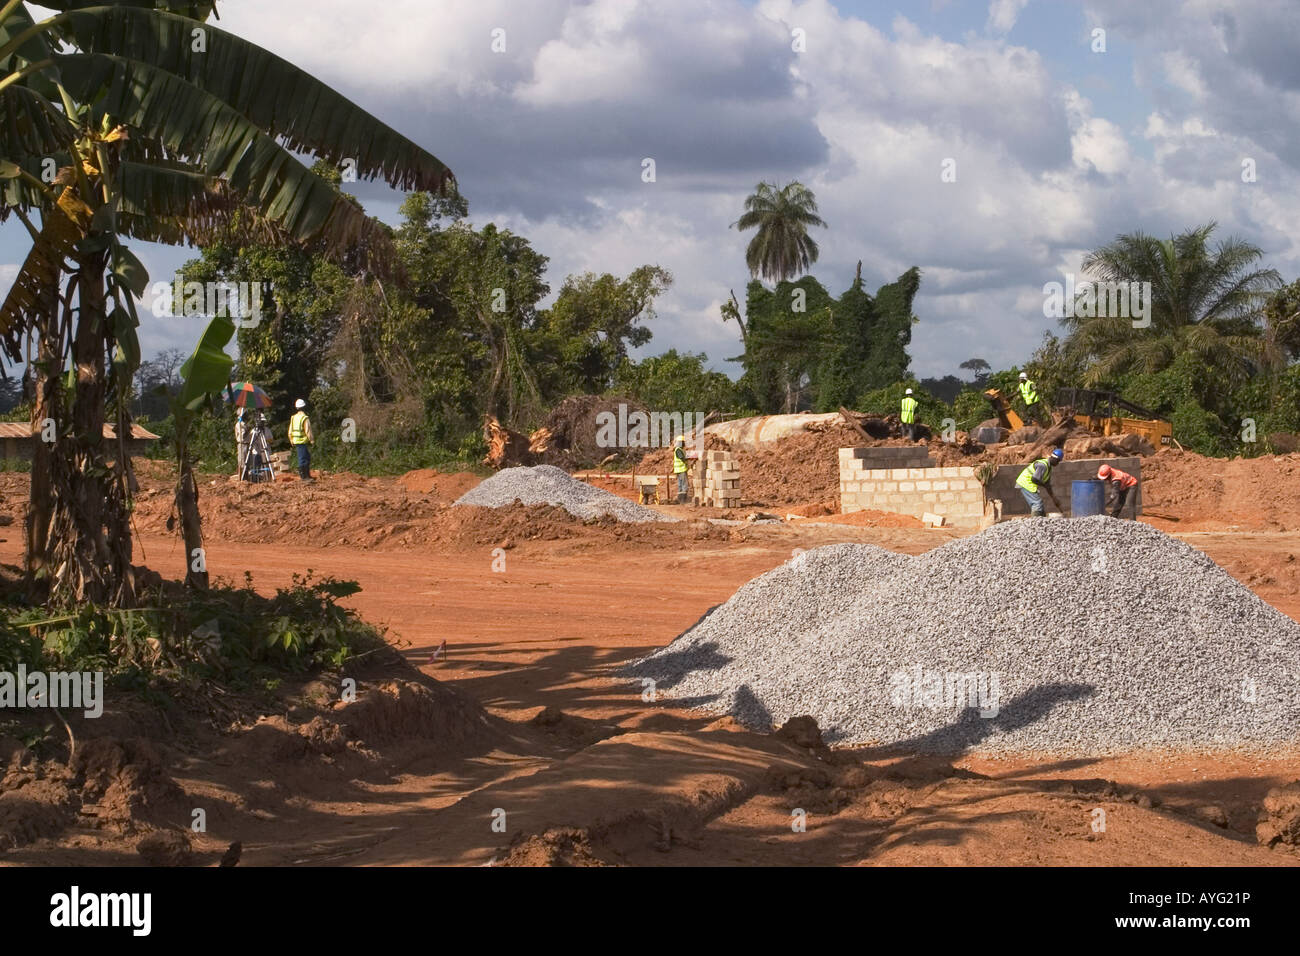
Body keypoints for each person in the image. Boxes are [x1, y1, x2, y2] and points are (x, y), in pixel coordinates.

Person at [1016, 447, 1064, 517]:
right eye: (1058, 461)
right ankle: (1036, 522)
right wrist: (1044, 485)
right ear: (1054, 459)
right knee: (1037, 503)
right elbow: (1034, 479)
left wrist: (1054, 498)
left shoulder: (1049, 468)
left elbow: (1048, 485)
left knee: (1039, 504)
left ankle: (1042, 519)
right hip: (1025, 482)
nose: (1058, 463)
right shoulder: (1043, 466)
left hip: (1029, 483)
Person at [288, 398, 314, 482]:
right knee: (303, 458)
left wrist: (291, 439)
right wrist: (312, 440)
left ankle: (306, 475)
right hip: (302, 441)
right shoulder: (304, 418)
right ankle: (304, 477)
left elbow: (290, 430)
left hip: (296, 441)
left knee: (305, 457)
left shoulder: (293, 417)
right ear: (304, 407)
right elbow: (308, 430)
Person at [672, 435, 690, 503]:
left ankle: (680, 499)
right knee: (684, 484)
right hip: (681, 470)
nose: (684, 443)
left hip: (679, 470)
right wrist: (689, 458)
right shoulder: (678, 450)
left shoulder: (680, 449)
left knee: (680, 484)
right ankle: (683, 500)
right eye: (683, 442)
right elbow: (682, 458)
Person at [235, 409, 251, 480]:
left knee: (247, 462)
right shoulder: (239, 424)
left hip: (246, 444)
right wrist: (247, 430)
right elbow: (243, 435)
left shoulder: (244, 423)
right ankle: (242, 478)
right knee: (242, 462)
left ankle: (246, 477)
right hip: (242, 444)